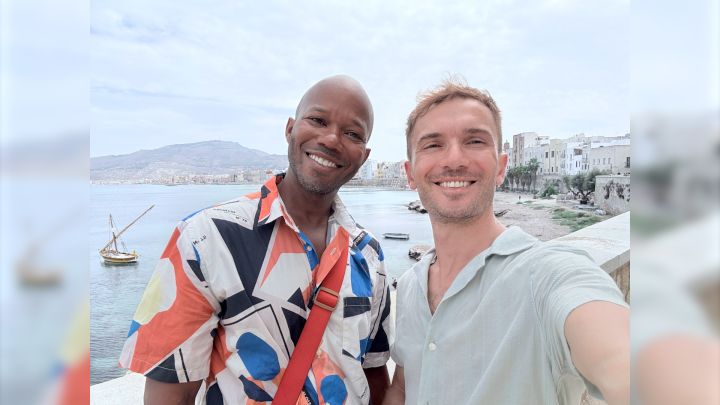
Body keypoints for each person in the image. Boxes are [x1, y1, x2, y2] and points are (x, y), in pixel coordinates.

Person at [119, 75, 392, 405]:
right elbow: (171, 392)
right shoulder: (207, 238)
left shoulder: (369, 255)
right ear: (290, 129)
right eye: (318, 120)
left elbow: (373, 373)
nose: (332, 139)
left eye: (352, 134)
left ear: (364, 155)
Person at [383, 79, 629, 405]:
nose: (454, 159)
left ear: (501, 168)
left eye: (474, 141)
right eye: (432, 145)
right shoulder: (410, 286)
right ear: (410, 173)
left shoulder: (547, 274)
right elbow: (403, 386)